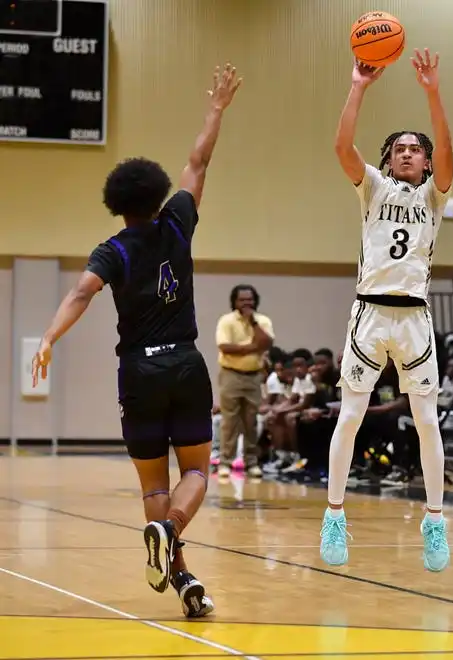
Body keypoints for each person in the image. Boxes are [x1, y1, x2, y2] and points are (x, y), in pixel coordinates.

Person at [31, 63, 242, 617]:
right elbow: (198, 161)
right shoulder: (177, 221)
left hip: (139, 373)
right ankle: (172, 538)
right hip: (187, 365)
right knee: (196, 471)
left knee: (154, 483)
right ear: (156, 193)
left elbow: (80, 294)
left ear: (116, 201)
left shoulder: (113, 249)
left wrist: (49, 337)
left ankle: (175, 557)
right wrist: (216, 109)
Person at [320, 48, 453, 572]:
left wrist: (432, 92)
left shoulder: (434, 197)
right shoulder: (372, 188)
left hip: (415, 318)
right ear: (388, 157)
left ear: (424, 161)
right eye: (397, 148)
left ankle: (435, 522)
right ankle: (334, 516)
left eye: (413, 149)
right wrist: (358, 85)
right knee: (349, 417)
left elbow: (446, 146)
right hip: (369, 314)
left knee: (427, 422)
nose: (405, 154)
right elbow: (340, 146)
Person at [215, 284, 274, 478]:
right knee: (229, 421)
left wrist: (253, 324)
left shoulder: (263, 320)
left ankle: (251, 463)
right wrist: (252, 347)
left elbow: (266, 343)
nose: (247, 303)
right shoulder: (227, 321)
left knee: (251, 421)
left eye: (250, 299)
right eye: (242, 299)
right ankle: (225, 462)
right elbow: (225, 347)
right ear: (234, 301)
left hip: (254, 375)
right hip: (230, 374)